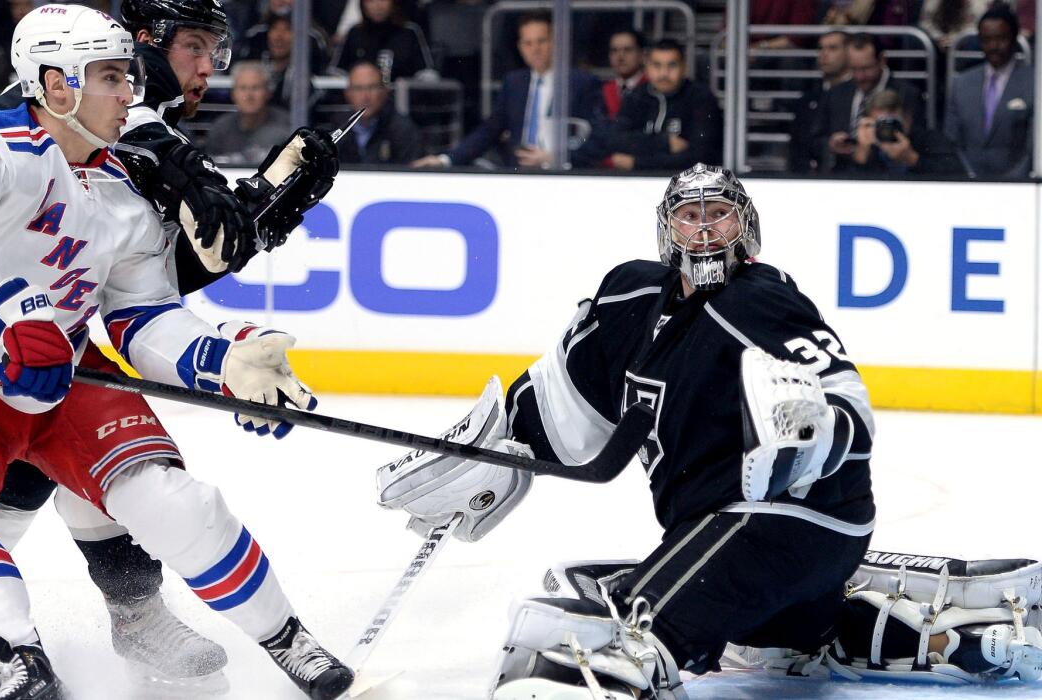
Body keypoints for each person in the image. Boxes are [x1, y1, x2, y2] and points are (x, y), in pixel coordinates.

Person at [376, 163, 1042, 699]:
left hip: (793, 517)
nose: (702, 231)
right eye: (688, 216)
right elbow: (555, 410)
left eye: (718, 213)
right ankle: (941, 639)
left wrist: (815, 430)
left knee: (628, 624)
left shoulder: (762, 299)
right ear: (667, 231)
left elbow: (851, 410)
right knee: (763, 641)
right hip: (731, 535)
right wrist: (483, 453)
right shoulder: (628, 300)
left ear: (744, 225)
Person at [0, 5, 353, 699]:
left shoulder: (122, 175)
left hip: (52, 349)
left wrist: (223, 360)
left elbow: (142, 304)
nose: (133, 92)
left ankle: (275, 636)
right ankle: (14, 644)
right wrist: (9, 311)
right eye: (117, 77)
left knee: (166, 497)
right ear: (57, 84)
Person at [411, 11, 604, 170]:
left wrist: (557, 158)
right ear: (520, 47)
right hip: (518, 176)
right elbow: (489, 130)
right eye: (528, 43)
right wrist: (446, 159)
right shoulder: (514, 83)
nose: (535, 49)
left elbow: (595, 138)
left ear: (554, 42)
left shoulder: (582, 83)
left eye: (541, 41)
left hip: (564, 177)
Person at [594, 38, 722, 172]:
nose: (664, 73)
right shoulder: (636, 97)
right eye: (657, 65)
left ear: (684, 67)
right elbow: (614, 141)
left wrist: (637, 163)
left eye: (672, 65)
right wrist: (665, 143)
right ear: (647, 67)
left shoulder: (701, 98)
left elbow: (701, 157)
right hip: (636, 185)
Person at [944, 3, 1033, 178]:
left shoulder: (1034, 83)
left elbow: (1033, 148)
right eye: (987, 39)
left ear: (1014, 38)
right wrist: (968, 177)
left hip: (1019, 188)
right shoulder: (962, 83)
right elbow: (952, 142)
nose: (994, 46)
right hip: (968, 184)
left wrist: (1011, 184)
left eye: (1001, 38)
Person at [817, 32, 925, 173]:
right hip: (845, 176)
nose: (860, 76)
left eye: (866, 69)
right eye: (854, 69)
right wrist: (831, 144)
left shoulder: (907, 94)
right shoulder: (836, 93)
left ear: (882, 60)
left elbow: (920, 141)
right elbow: (817, 137)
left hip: (891, 176)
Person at [846, 89, 969, 176]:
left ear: (907, 119)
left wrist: (912, 159)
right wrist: (861, 157)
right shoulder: (866, 146)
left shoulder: (930, 140)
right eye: (880, 124)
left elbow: (958, 174)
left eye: (892, 123)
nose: (886, 130)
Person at [335, 59, 423, 164]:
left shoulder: (402, 130)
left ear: (384, 91)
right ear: (347, 94)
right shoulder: (336, 129)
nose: (365, 96)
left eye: (372, 87)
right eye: (358, 88)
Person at [204, 62, 291, 166]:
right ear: (233, 94)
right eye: (243, 88)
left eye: (255, 88)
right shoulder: (221, 128)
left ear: (268, 92)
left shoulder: (287, 126)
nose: (249, 95)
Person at [789, 30, 849, 173]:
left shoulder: (860, 97)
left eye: (833, 48)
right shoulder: (807, 100)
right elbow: (797, 149)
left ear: (849, 53)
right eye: (820, 48)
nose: (824, 54)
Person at [333, 0, 432, 80]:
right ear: (362, 4)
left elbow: (426, 73)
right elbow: (336, 72)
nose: (377, 5)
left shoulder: (410, 33)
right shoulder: (354, 33)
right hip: (360, 102)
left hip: (401, 99)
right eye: (370, 1)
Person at [602, 29, 644, 120]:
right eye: (614, 50)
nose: (620, 56)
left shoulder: (652, 88)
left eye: (628, 50)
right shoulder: (602, 90)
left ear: (641, 55)